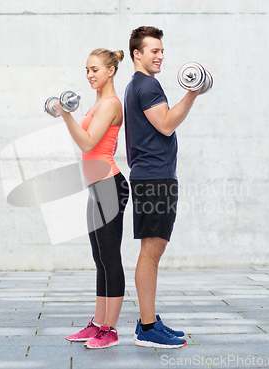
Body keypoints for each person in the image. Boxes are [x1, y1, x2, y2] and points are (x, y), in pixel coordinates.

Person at [124, 26, 200, 348]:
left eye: (162, 50)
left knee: (153, 250)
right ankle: (147, 327)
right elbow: (166, 124)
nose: (160, 56)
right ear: (137, 54)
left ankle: (150, 322)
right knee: (151, 251)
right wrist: (193, 93)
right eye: (154, 51)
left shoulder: (137, 85)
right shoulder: (146, 85)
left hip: (155, 175)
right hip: (153, 178)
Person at [54, 48, 129, 349]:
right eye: (87, 70)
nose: (89, 75)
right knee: (99, 259)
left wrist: (66, 115)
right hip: (97, 188)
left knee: (111, 259)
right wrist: (68, 114)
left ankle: (110, 330)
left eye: (95, 69)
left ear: (111, 71)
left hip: (110, 185)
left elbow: (87, 143)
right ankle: (98, 323)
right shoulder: (97, 104)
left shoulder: (110, 104)